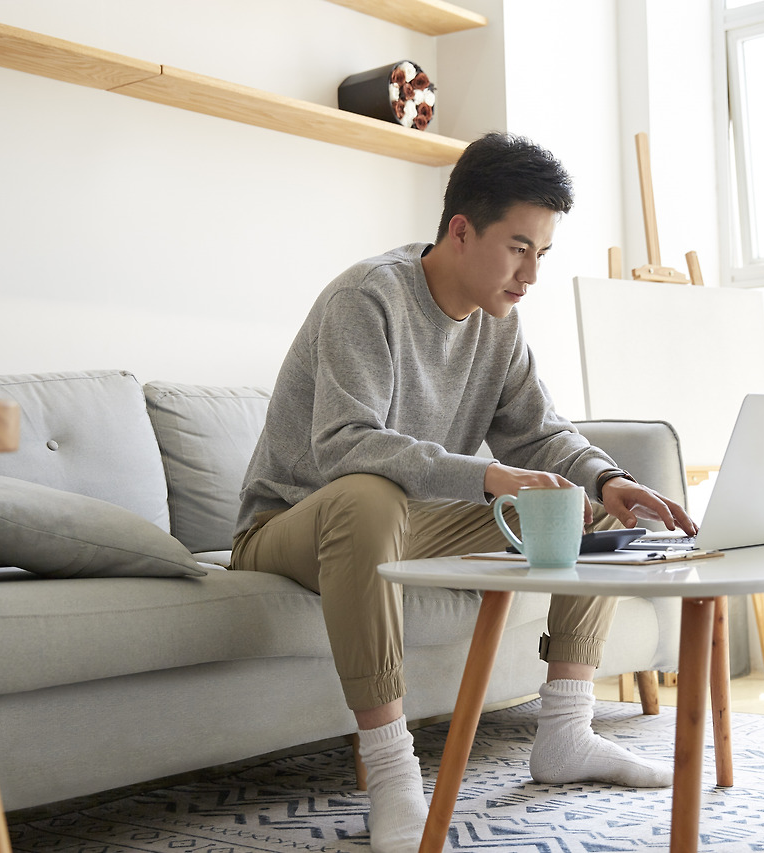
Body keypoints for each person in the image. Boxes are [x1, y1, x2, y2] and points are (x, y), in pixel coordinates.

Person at [231, 132, 697, 853]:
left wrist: (609, 479)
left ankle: (567, 732)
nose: (531, 274)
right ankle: (392, 775)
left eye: (542, 253)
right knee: (367, 495)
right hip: (293, 523)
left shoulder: (499, 326)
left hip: (409, 519)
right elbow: (345, 444)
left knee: (587, 506)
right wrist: (487, 475)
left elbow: (542, 434)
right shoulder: (369, 297)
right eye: (519, 248)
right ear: (459, 230)